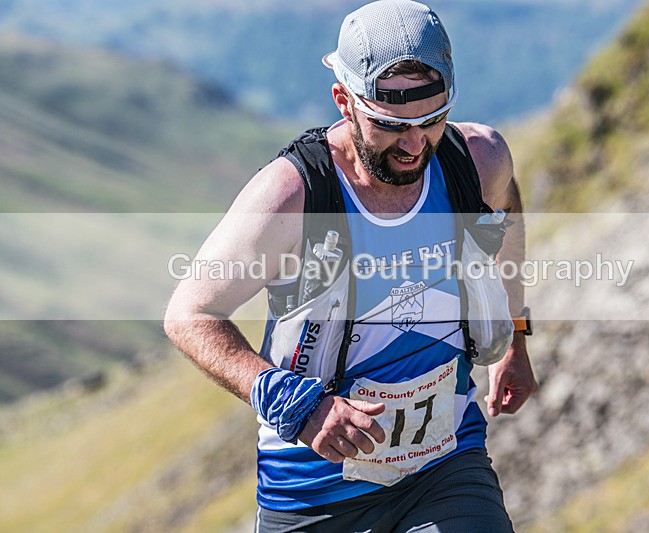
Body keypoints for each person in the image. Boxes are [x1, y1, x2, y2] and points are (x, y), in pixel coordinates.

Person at [164, 1, 537, 531]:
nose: (414, 145)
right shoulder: (293, 196)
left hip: (445, 466)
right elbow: (189, 315)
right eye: (389, 125)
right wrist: (300, 406)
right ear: (343, 101)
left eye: (432, 120)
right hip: (312, 493)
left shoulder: (475, 160)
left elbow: (507, 212)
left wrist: (515, 336)